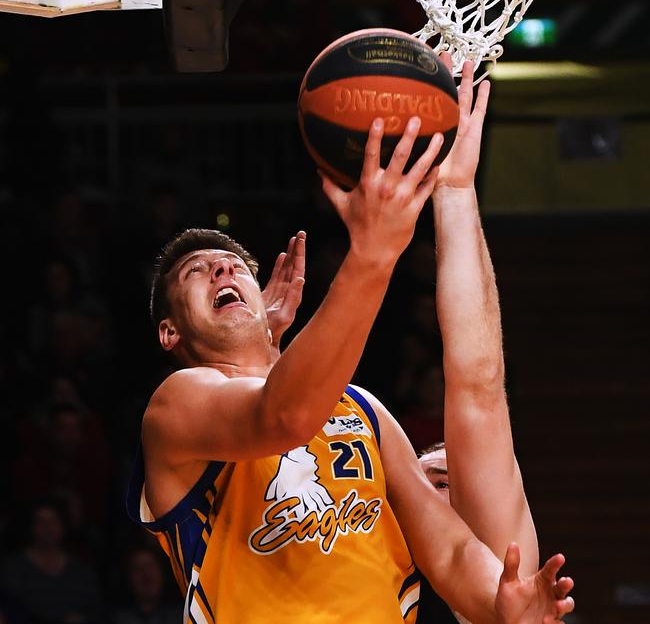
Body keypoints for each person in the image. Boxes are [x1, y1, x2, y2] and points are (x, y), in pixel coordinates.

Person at [128, 117, 574, 623]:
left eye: (234, 267)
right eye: (198, 271)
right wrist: (372, 253)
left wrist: (499, 601)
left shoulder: (363, 409)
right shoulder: (175, 406)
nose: (223, 269)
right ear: (170, 333)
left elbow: (449, 551)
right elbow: (283, 416)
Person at [416, 58, 541, 623]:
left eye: (453, 479)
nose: (457, 490)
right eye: (440, 480)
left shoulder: (493, 584)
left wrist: (455, 191)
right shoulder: (358, 559)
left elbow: (477, 388)